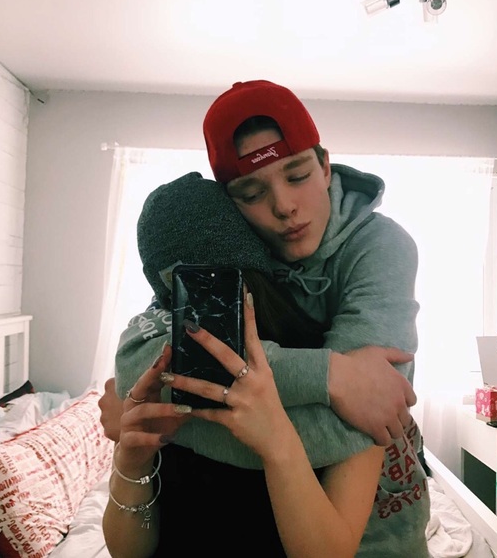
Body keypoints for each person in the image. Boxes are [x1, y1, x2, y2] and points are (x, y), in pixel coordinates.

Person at [101, 173, 429, 557]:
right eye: (186, 290)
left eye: (222, 283)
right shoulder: (160, 366)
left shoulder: (342, 365)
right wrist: (131, 466)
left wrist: (273, 432)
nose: (208, 307)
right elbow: (129, 551)